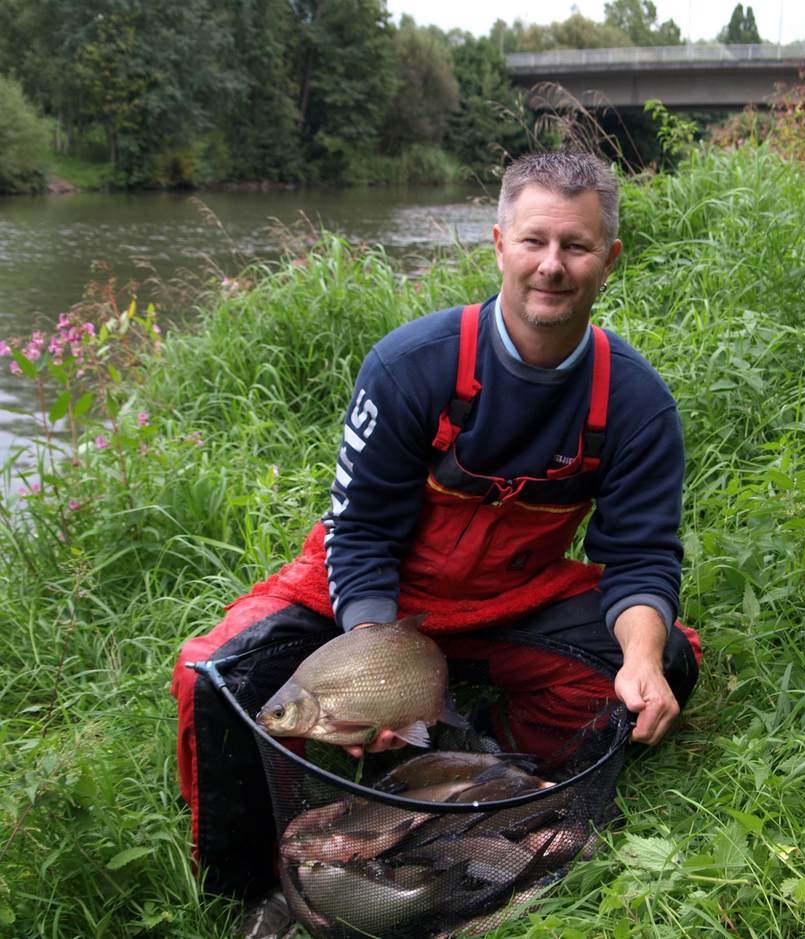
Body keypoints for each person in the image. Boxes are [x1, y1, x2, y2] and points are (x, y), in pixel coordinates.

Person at [170, 150, 701, 936]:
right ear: (497, 244)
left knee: (662, 665)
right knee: (212, 680)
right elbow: (359, 532)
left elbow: (639, 560)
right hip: (373, 591)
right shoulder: (411, 367)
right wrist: (369, 669)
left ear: (608, 259)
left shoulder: (636, 402)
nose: (552, 265)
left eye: (576, 246)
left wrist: (644, 658)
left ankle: (479, 763)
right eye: (534, 241)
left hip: (506, 596)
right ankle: (260, 884)